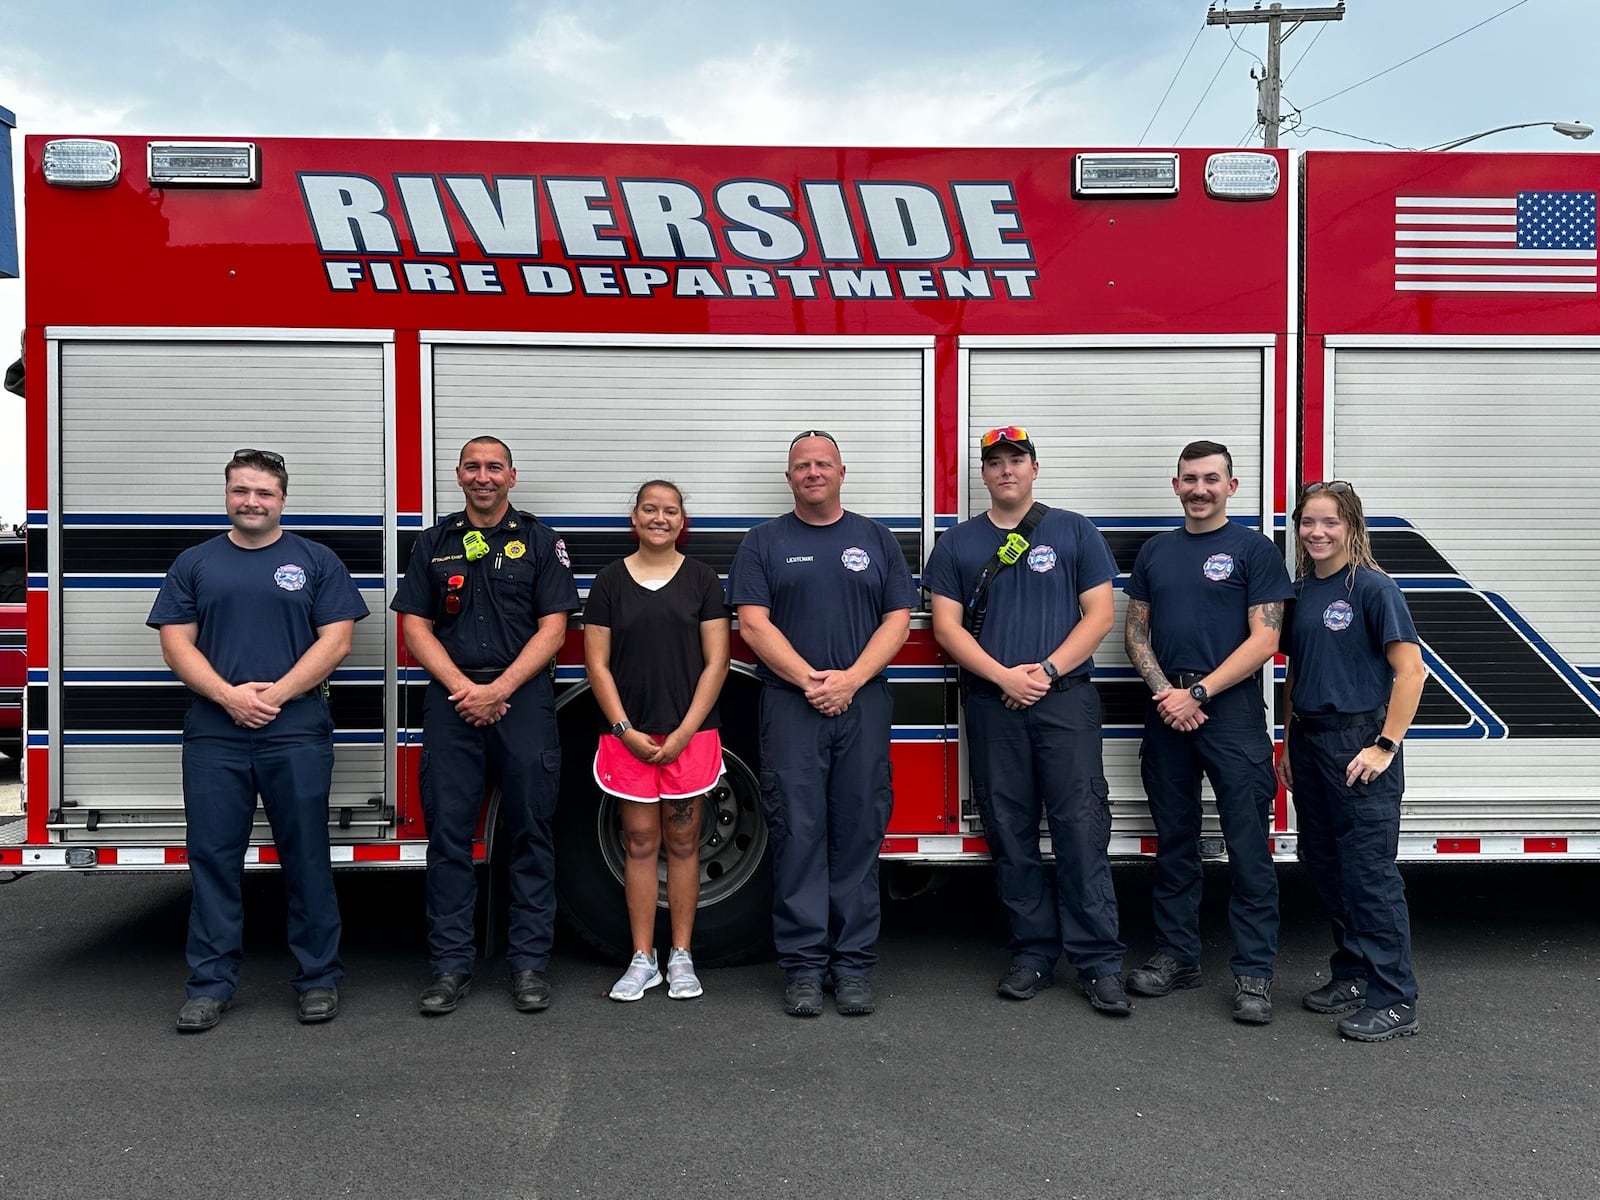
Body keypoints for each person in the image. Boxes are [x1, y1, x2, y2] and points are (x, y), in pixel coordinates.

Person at [148, 448, 368, 1033]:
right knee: (214, 861)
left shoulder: (316, 561)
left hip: (295, 730)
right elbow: (176, 646)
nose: (252, 501)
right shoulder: (195, 563)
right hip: (216, 734)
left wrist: (270, 698)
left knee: (306, 858)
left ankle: (319, 979)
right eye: (241, 490)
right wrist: (230, 697)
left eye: (264, 493)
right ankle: (210, 985)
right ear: (226, 494)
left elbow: (336, 642)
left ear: (282, 500)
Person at [925, 426, 1131, 1015]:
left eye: (1016, 460)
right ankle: (1033, 953)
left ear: (1034, 469)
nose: (1006, 470)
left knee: (1080, 829)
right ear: (983, 475)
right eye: (994, 462)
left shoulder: (1072, 529)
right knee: (1010, 832)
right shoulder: (957, 544)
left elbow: (1098, 615)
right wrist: (1003, 677)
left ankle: (1098, 963)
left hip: (1064, 700)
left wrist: (1041, 670)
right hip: (994, 704)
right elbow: (946, 628)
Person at [727, 431, 915, 1017]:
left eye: (822, 464)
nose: (813, 472)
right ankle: (805, 968)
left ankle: (853, 965)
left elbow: (899, 618)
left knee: (858, 832)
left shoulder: (875, 539)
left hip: (861, 703)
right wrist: (812, 680)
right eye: (801, 466)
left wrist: (851, 679)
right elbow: (753, 625)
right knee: (798, 833)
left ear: (842, 471)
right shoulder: (763, 543)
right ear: (789, 478)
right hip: (791, 706)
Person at [391, 436, 579, 1016]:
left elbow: (554, 629)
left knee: (530, 835)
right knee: (448, 839)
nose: (483, 476)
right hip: (453, 701)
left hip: (520, 702)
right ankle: (450, 968)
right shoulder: (433, 543)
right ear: (458, 475)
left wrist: (497, 690)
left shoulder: (542, 543)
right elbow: (415, 628)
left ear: (512, 477)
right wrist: (463, 689)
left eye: (494, 467)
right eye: (472, 467)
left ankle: (528, 967)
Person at [1123, 440, 1291, 1024]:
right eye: (1190, 479)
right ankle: (1177, 957)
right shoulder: (1155, 552)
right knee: (1176, 844)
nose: (1200, 488)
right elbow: (1135, 633)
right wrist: (1169, 695)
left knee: (1248, 850)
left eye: (1211, 478)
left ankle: (1254, 974)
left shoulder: (1255, 550)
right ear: (1176, 486)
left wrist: (1198, 693)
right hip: (1166, 708)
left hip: (1232, 713)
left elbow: (1265, 640)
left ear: (1232, 486)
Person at [1278, 481, 1425, 1041]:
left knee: (1369, 876)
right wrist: (1289, 742)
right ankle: (1356, 973)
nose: (1317, 532)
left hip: (1360, 740)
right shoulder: (1302, 591)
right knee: (1327, 866)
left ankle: (1395, 1000)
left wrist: (1384, 746)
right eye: (1308, 522)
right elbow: (1296, 672)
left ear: (1352, 526)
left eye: (1329, 522)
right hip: (1312, 742)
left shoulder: (1373, 588)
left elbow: (1411, 673)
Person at [584, 480, 730, 1002]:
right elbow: (595, 665)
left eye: (671, 510)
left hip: (690, 735)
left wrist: (687, 729)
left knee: (684, 841)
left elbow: (717, 661)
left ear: (682, 520)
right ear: (635, 518)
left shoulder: (703, 580)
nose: (660, 518)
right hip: (629, 738)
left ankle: (682, 957)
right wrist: (625, 730)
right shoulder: (608, 582)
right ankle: (642, 958)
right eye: (650, 509)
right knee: (641, 844)